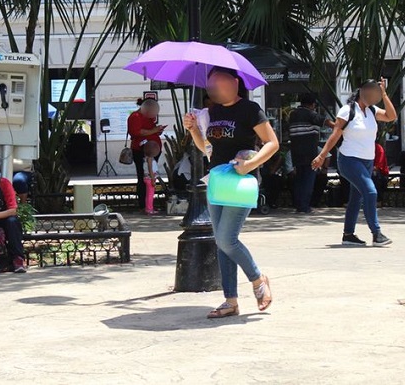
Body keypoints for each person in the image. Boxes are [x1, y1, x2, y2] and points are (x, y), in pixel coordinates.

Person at [184, 66, 278, 319]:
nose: (212, 88)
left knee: (227, 239)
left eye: (217, 82)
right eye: (210, 84)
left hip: (240, 182)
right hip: (216, 180)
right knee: (221, 243)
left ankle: (258, 279)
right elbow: (206, 147)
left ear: (234, 82)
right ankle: (230, 301)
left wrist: (250, 164)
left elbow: (272, 143)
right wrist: (194, 129)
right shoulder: (211, 112)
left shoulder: (250, 110)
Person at [313, 79, 397, 247]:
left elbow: (391, 116)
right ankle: (376, 233)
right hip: (349, 160)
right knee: (371, 192)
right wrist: (322, 156)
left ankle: (348, 235)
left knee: (356, 198)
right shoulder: (347, 110)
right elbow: (335, 134)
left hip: (367, 161)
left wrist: (385, 94)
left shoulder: (372, 110)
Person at [289, 94, 334, 213]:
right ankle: (305, 207)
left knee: (299, 179)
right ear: (312, 104)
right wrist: (339, 127)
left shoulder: (293, 114)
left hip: (296, 152)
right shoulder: (310, 114)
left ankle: (298, 206)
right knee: (308, 180)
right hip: (309, 153)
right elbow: (326, 122)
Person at [127, 98, 166, 211]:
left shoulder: (149, 117)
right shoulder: (135, 117)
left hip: (153, 149)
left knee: (151, 175)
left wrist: (158, 130)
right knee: (143, 176)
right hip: (141, 150)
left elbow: (150, 129)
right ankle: (144, 205)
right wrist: (154, 130)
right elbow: (138, 132)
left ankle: (149, 204)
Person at [141, 140, 161, 215]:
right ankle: (149, 209)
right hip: (150, 178)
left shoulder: (147, 158)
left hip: (148, 178)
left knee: (149, 194)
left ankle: (149, 208)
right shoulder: (150, 159)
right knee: (150, 195)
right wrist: (153, 179)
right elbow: (150, 169)